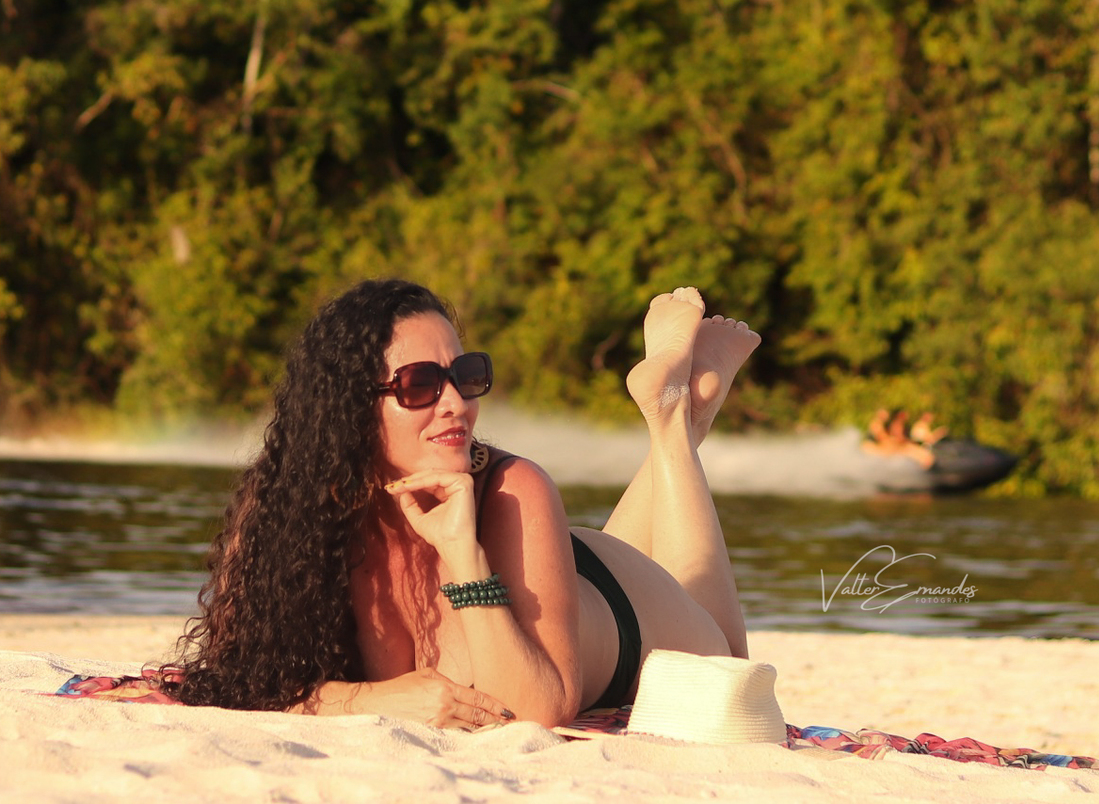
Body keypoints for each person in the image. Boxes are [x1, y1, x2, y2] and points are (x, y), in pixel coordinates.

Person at [165, 279, 760, 729]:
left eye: (465, 375)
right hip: (554, 571)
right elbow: (236, 680)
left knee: (732, 667)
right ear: (349, 407)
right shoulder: (286, 511)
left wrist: (463, 555)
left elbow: (538, 712)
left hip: (623, 609)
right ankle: (688, 408)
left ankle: (671, 419)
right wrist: (368, 699)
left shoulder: (514, 489)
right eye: (420, 385)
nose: (455, 402)